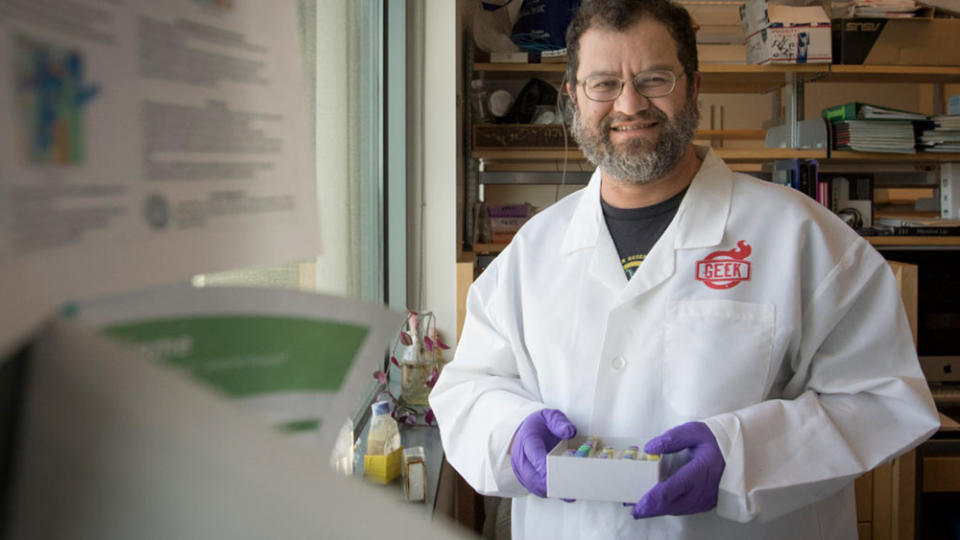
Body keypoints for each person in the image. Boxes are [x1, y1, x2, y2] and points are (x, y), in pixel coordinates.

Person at [430, 0, 940, 538]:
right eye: (603, 83)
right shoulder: (531, 252)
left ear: (694, 86)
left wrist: (740, 455)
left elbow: (884, 398)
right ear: (574, 98)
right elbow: (470, 388)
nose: (629, 104)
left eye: (654, 78)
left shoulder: (801, 236)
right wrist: (510, 433)